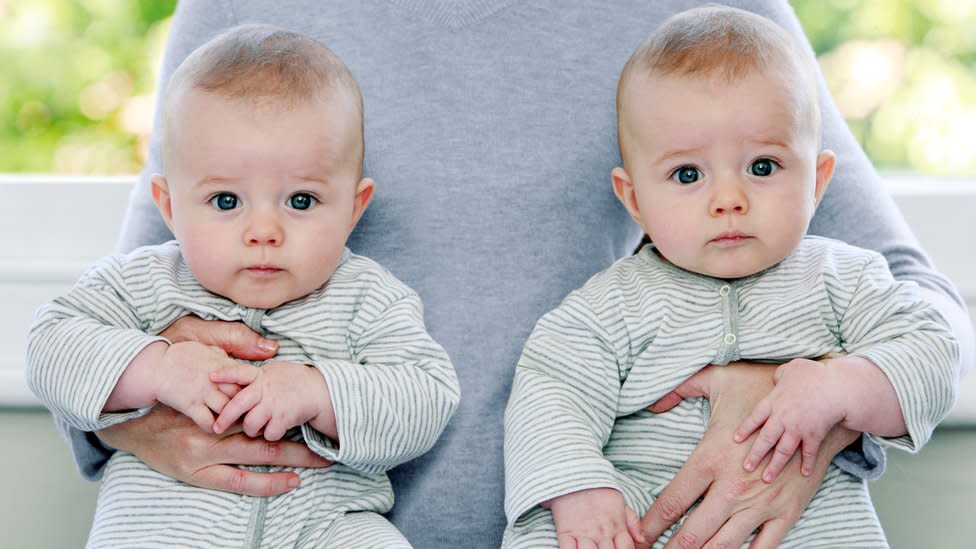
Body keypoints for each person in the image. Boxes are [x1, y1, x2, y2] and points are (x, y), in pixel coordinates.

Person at [53, 1, 974, 547]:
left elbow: (917, 302)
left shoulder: (717, 16)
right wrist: (145, 409)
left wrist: (800, 406)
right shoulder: (236, 9)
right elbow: (137, 289)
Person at [501, 7, 959, 548]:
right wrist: (579, 491)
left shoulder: (846, 280)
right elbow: (550, 392)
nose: (728, 201)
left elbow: (933, 345)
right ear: (634, 199)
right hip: (640, 528)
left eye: (762, 167)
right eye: (687, 174)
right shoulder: (609, 307)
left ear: (817, 180)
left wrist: (843, 385)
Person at [27, 24, 459, 548]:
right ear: (169, 206)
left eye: (300, 201)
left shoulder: (369, 298)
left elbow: (427, 396)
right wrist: (155, 367)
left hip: (322, 529)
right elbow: (49, 346)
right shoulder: (143, 282)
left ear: (354, 207)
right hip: (164, 530)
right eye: (226, 201)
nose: (263, 233)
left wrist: (318, 392)